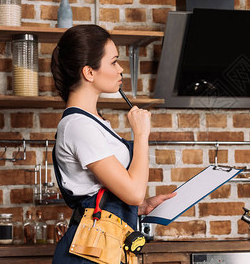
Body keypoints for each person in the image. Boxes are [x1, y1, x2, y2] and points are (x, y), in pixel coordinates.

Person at [50, 24, 174, 263]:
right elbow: (134, 192)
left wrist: (141, 207)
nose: (120, 69)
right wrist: (141, 135)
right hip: (89, 254)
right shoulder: (79, 126)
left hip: (104, 248)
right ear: (89, 72)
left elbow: (106, 192)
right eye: (114, 61)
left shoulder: (93, 123)